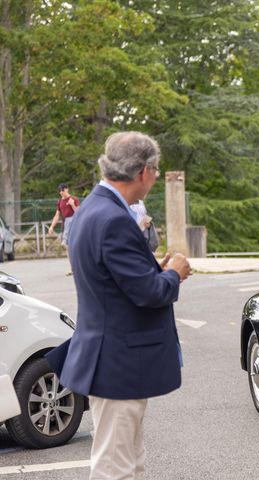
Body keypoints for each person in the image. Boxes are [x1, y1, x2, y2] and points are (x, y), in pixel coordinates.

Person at [45, 131, 191, 480]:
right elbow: (149, 294)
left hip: (109, 358)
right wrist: (173, 273)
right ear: (144, 171)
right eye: (155, 170)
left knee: (126, 461)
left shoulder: (92, 211)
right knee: (116, 468)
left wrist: (155, 269)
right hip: (118, 364)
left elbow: (112, 280)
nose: (155, 177)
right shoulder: (113, 219)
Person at [48, 183, 80, 273]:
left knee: (74, 245)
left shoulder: (74, 199)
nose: (61, 192)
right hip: (65, 224)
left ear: (67, 189)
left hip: (75, 223)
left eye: (62, 190)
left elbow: (79, 213)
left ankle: (78, 267)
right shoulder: (60, 202)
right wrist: (51, 226)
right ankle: (73, 268)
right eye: (60, 191)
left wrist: (72, 205)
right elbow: (57, 215)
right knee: (67, 246)